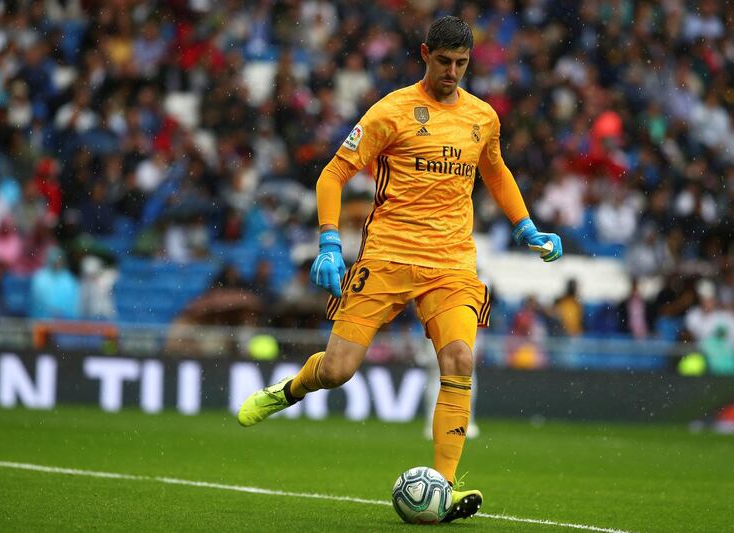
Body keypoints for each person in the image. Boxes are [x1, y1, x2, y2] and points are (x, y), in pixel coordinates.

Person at [237, 16, 562, 522]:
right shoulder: (392, 111)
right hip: (388, 254)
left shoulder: (483, 118)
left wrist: (527, 228)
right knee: (338, 370)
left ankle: (445, 488)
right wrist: (328, 242)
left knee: (459, 359)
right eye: (444, 62)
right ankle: (289, 389)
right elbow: (333, 174)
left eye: (462, 64)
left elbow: (495, 171)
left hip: (452, 262)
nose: (453, 72)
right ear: (425, 53)